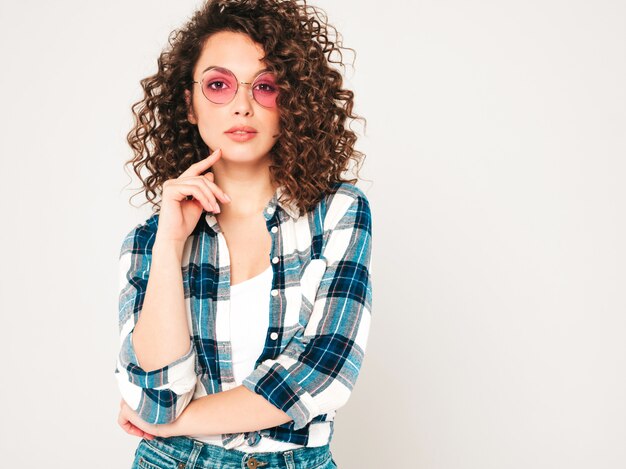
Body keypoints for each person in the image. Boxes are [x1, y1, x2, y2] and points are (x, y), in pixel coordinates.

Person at [114, 0, 372, 467]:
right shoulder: (148, 240)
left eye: (266, 86)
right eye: (218, 85)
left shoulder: (337, 213)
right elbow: (157, 397)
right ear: (189, 105)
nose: (242, 105)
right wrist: (170, 244)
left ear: (292, 102)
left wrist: (171, 422)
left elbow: (322, 375)